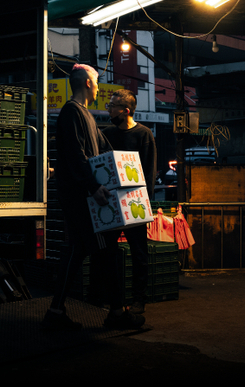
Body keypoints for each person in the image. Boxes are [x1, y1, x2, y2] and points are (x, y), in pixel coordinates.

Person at [42, 64, 146, 331]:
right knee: (107, 251)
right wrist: (93, 187)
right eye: (97, 83)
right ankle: (115, 313)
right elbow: (78, 156)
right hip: (83, 200)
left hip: (83, 197)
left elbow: (104, 150)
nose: (99, 88)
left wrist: (125, 173)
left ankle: (56, 311)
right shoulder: (71, 113)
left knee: (77, 250)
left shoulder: (85, 115)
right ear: (88, 83)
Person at [101, 89, 156, 314]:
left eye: (112, 106)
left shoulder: (143, 134)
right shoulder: (107, 134)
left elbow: (149, 171)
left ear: (125, 111)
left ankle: (138, 300)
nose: (109, 110)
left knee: (138, 253)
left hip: (136, 201)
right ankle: (114, 300)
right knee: (108, 252)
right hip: (111, 201)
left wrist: (146, 203)